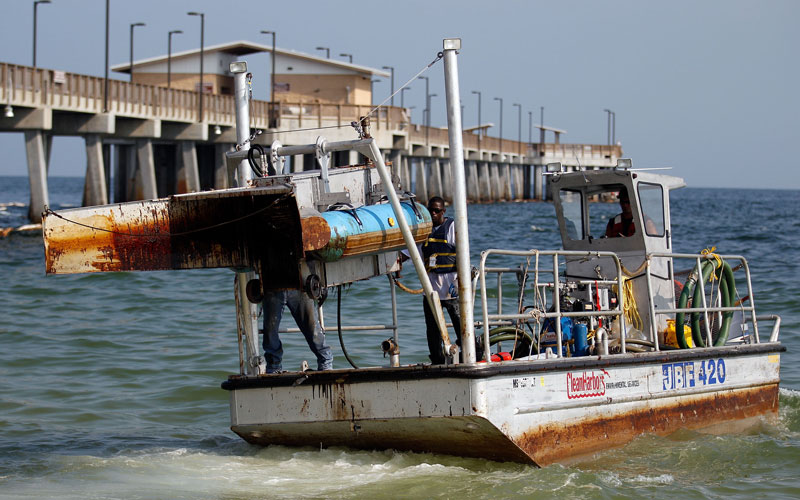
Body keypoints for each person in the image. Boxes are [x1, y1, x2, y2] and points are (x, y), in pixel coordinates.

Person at [418, 196, 462, 364]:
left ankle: (472, 354)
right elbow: (410, 253)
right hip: (431, 290)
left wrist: (460, 283)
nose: (433, 213)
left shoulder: (452, 228)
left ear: (443, 211)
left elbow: (463, 254)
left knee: (461, 326)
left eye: (437, 211)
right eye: (430, 210)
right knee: (432, 330)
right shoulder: (424, 231)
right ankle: (436, 360)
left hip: (451, 289)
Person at [262, 289, 333, 373]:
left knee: (312, 328)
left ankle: (326, 363)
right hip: (273, 286)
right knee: (270, 330)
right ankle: (273, 367)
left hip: (299, 286)